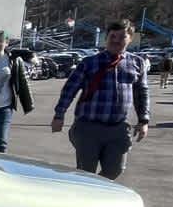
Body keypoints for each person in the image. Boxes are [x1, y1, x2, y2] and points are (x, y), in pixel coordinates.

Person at [50, 20, 149, 179]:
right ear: (106, 38)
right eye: (112, 36)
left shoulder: (137, 63)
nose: (116, 40)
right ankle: (85, 201)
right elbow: (70, 90)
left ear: (130, 39)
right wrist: (59, 115)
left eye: (122, 37)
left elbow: (141, 93)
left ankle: (96, 190)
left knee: (114, 170)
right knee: (85, 172)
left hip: (118, 128)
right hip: (89, 127)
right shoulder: (89, 62)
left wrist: (144, 120)